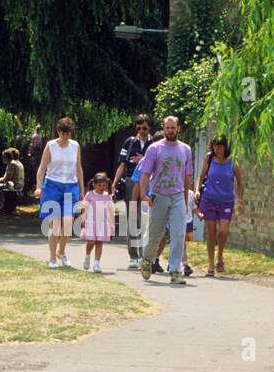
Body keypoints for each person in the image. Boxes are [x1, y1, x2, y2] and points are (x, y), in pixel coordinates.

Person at [136, 116, 194, 284]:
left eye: (173, 128)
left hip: (177, 196)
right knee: (156, 233)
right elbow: (145, 173)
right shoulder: (154, 149)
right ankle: (147, 259)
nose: (170, 131)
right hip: (159, 195)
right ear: (164, 129)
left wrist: (185, 199)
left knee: (178, 233)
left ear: (178, 129)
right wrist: (143, 194)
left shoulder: (185, 150)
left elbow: (187, 175)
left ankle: (175, 271)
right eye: (167, 128)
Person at [34, 117, 84, 267]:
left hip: (70, 185)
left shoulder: (75, 145)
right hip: (52, 186)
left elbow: (78, 168)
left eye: (68, 133)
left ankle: (61, 251)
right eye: (63, 133)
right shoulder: (50, 146)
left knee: (68, 223)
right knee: (54, 224)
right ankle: (52, 258)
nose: (66, 136)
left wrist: (82, 189)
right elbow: (42, 168)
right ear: (58, 132)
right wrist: (38, 186)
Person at [196, 135, 244, 275]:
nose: (217, 149)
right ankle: (211, 265)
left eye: (220, 146)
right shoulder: (209, 158)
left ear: (225, 147)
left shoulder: (233, 161)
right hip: (209, 199)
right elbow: (201, 176)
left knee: (222, 232)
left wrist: (240, 201)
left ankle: (220, 256)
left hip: (226, 201)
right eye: (215, 146)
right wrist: (197, 190)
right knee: (211, 233)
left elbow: (240, 184)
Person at [112, 114, 152, 269]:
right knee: (132, 217)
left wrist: (143, 159)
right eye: (139, 128)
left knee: (145, 219)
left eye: (145, 128)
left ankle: (143, 254)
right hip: (130, 180)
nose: (142, 131)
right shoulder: (129, 142)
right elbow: (122, 164)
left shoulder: (154, 143)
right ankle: (133, 255)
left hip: (148, 182)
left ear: (149, 127)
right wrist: (115, 183)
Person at [79, 173, 113, 272]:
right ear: (94, 184)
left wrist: (111, 223)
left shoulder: (108, 196)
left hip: (102, 223)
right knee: (91, 242)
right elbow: (84, 208)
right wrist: (83, 219)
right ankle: (87, 256)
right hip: (91, 222)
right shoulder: (90, 194)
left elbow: (110, 210)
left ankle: (96, 264)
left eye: (104, 185)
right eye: (99, 185)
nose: (102, 188)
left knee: (99, 243)